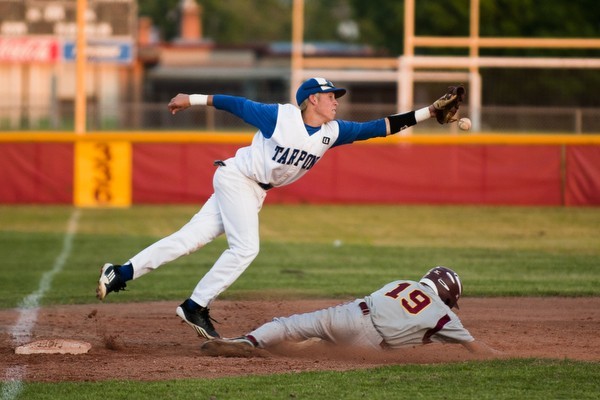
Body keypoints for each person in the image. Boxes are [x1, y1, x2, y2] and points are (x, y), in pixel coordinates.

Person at [96, 78, 465, 340]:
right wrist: (189, 98)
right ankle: (195, 306)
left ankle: (121, 272)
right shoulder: (280, 117)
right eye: (329, 95)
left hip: (252, 190)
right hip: (237, 178)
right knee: (245, 248)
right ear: (310, 100)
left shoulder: (332, 132)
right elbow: (234, 103)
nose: (335, 100)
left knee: (189, 239)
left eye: (336, 96)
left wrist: (430, 111)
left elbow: (380, 127)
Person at [200, 266, 499, 356]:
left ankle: (249, 341)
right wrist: (503, 357)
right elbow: (475, 348)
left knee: (290, 325)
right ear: (447, 296)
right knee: (321, 351)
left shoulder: (402, 281)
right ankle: (284, 351)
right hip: (369, 342)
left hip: (352, 312)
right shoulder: (445, 317)